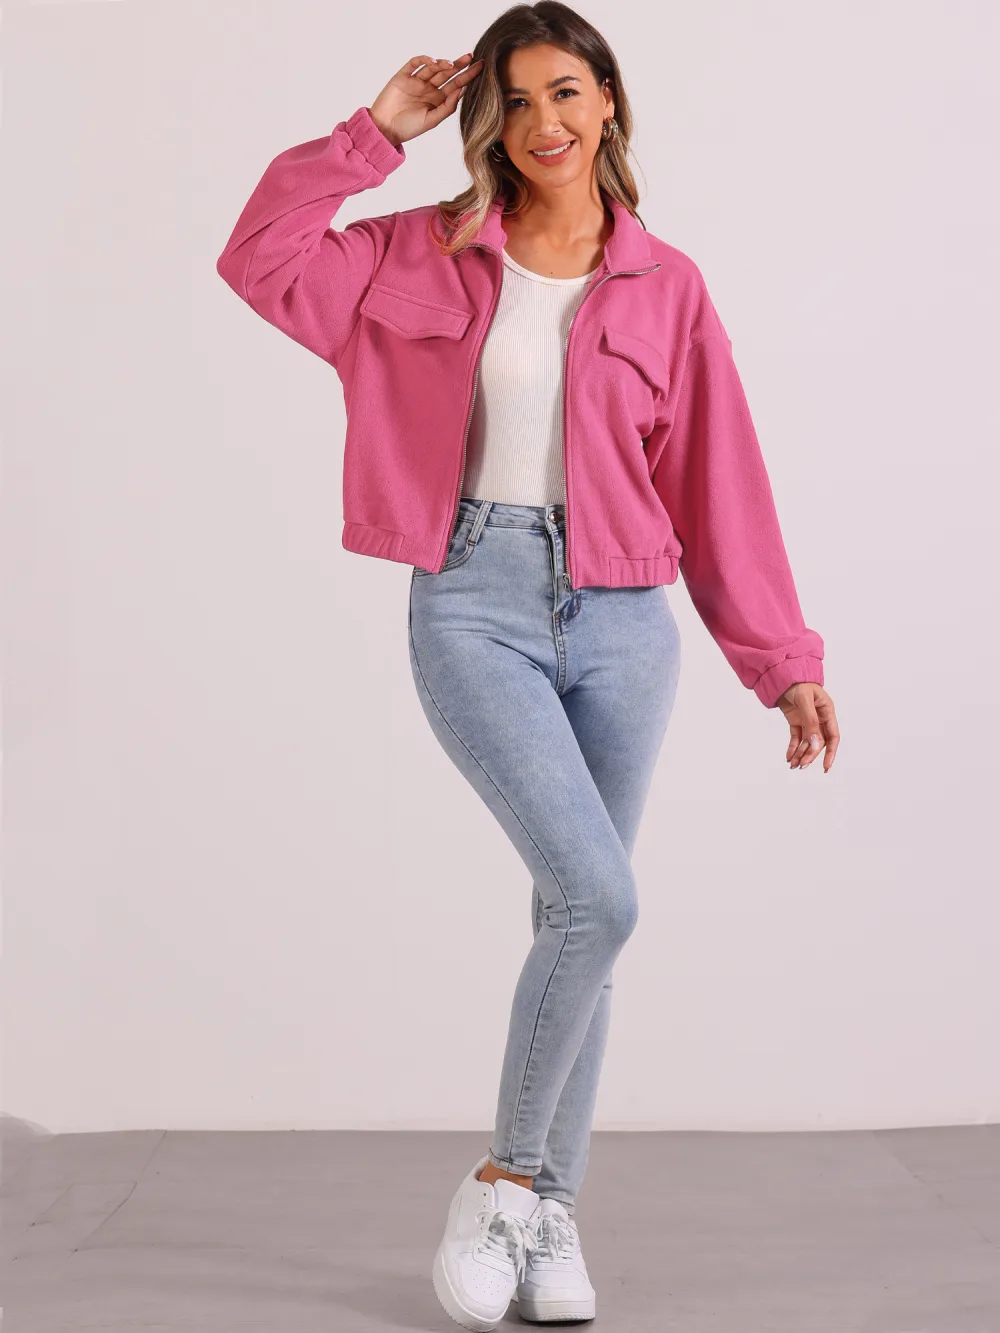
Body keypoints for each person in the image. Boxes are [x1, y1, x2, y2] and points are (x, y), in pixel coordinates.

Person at [216, 5, 840, 1328]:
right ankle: (506, 1180)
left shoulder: (668, 286)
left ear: (608, 101)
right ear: (486, 119)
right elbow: (259, 258)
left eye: (566, 91)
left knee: (581, 918)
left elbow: (718, 484)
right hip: (473, 601)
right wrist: (372, 135)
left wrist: (779, 658)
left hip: (625, 619)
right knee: (597, 902)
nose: (543, 122)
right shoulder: (415, 253)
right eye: (514, 99)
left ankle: (551, 1212)